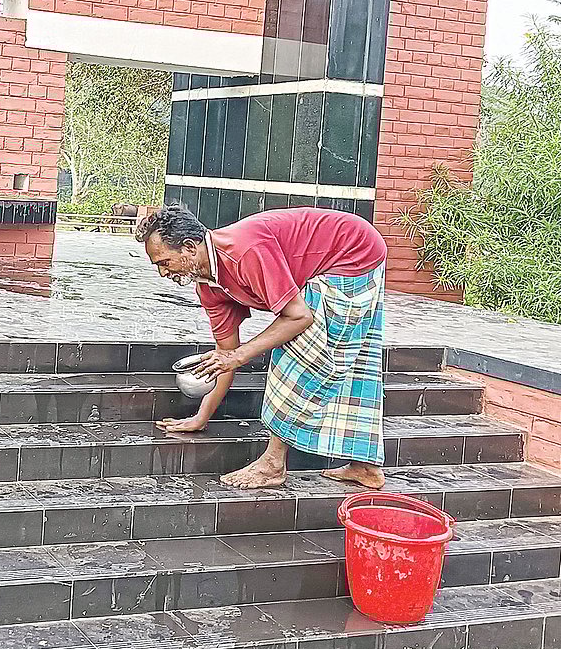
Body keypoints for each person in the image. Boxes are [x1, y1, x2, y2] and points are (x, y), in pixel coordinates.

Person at [135, 204, 388, 490]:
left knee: (299, 352)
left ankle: (272, 465)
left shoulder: (244, 252)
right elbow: (225, 355)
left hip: (354, 251)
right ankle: (365, 467)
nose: (162, 273)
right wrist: (200, 417)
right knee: (348, 359)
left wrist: (239, 356)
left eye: (164, 262)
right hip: (337, 257)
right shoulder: (208, 287)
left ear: (190, 247)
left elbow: (298, 317)